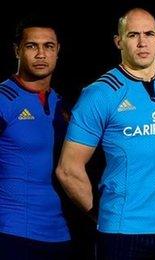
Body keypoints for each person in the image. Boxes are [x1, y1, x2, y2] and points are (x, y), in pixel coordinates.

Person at [55, 7, 155, 259]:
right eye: (133, 35)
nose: (142, 42)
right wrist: (99, 213)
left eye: (149, 34)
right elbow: (68, 169)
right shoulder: (99, 94)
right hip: (121, 231)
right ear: (118, 41)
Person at [0, 14, 71, 259]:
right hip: (12, 232)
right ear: (17, 50)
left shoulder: (61, 102)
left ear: (57, 51)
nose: (41, 54)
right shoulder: (2, 100)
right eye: (32, 46)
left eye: (48, 46)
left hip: (59, 233)